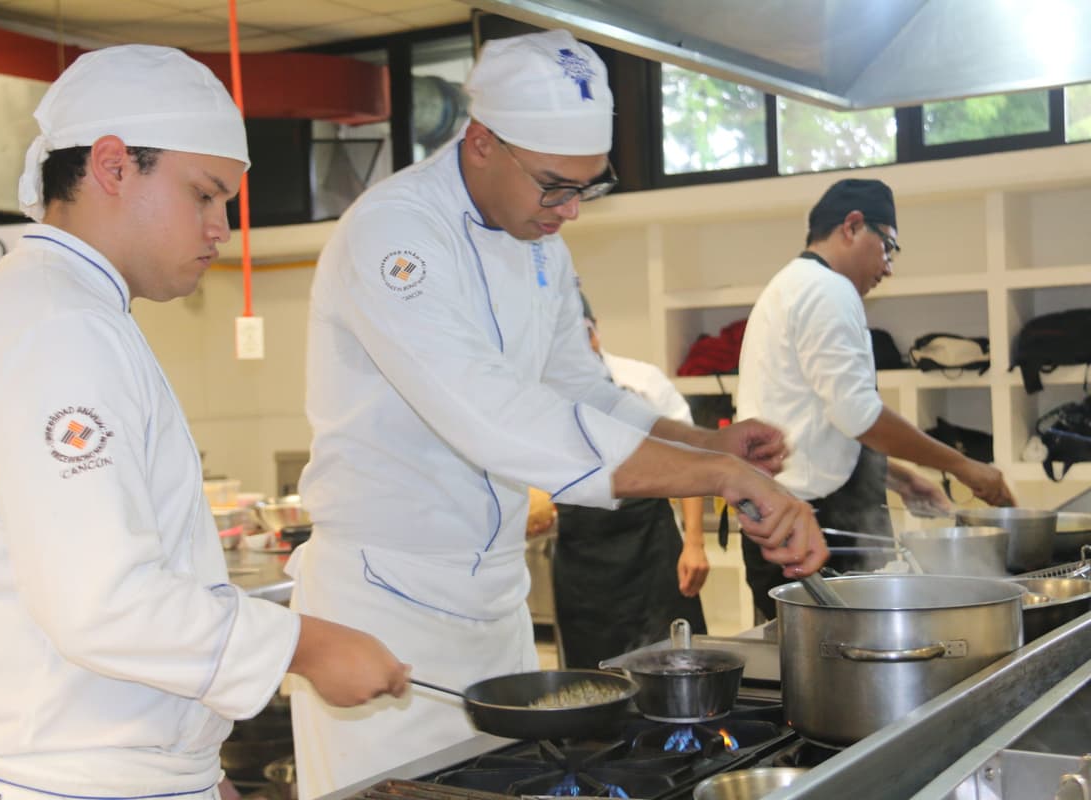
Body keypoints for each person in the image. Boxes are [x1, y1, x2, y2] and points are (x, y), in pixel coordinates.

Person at [287, 28, 827, 799]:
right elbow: (491, 415)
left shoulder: (539, 241)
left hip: (492, 601)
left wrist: (710, 444)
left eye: (587, 186)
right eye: (553, 185)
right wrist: (716, 474)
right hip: (383, 608)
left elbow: (585, 392)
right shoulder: (395, 234)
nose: (570, 210)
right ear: (482, 141)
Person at [0, 45, 409, 800]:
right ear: (112, 166)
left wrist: (192, 766)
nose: (220, 229)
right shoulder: (57, 324)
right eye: (204, 195)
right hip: (52, 781)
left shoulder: (68, 309)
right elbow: (103, 602)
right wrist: (305, 646)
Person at [735, 177, 1015, 620]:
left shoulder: (791, 285)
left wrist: (900, 479)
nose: (888, 267)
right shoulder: (827, 289)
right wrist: (963, 465)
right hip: (809, 522)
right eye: (888, 247)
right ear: (852, 226)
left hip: (787, 514)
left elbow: (816, 420)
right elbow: (858, 415)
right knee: (837, 657)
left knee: (805, 653)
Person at [551, 295, 709, 668]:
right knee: (594, 677)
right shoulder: (544, 394)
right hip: (582, 558)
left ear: (596, 328)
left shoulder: (641, 380)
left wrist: (695, 542)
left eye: (584, 333)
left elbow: (690, 459)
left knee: (675, 664)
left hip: (651, 545)